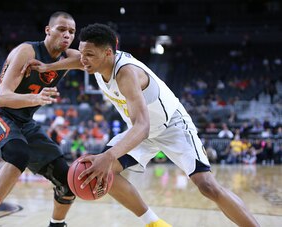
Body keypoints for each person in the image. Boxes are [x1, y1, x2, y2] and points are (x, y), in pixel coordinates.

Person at [23, 23, 260, 227]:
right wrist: (47, 67)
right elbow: (75, 61)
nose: (84, 60)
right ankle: (154, 222)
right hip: (141, 131)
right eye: (83, 53)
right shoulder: (93, 62)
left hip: (171, 128)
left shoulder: (127, 74)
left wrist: (109, 156)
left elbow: (142, 126)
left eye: (90, 55)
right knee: (104, 175)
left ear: (108, 53)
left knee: (207, 186)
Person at [0, 12, 77, 227]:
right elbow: (2, 98)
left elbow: (92, 60)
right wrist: (35, 98)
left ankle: (57, 224)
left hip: (25, 123)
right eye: (61, 29)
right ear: (48, 30)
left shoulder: (66, 58)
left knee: (68, 182)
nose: (67, 35)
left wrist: (49, 67)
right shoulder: (27, 51)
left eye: (72, 32)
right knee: (19, 154)